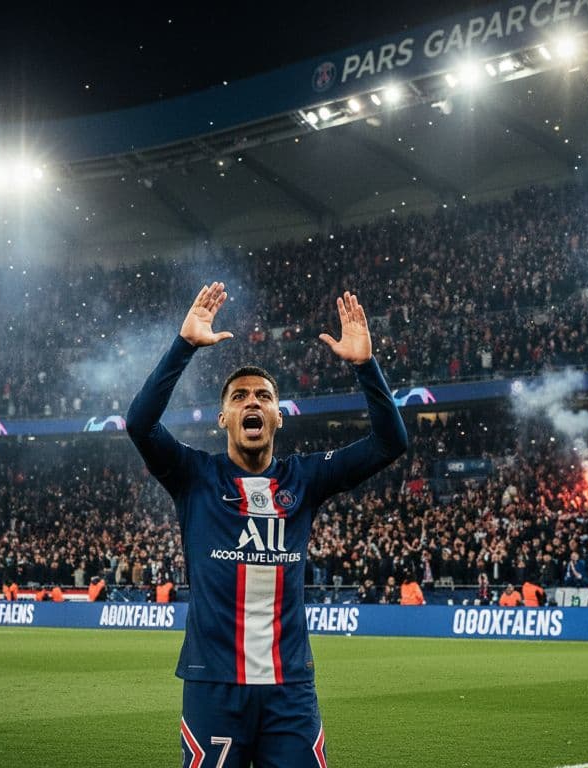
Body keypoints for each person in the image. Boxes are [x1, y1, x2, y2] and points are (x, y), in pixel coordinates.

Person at [127, 283, 407, 768]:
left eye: (263, 396)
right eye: (239, 397)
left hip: (289, 690)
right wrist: (185, 344)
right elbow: (140, 423)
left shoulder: (307, 477)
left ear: (278, 417)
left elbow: (389, 444)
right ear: (223, 417)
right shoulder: (194, 476)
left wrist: (366, 367)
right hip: (214, 685)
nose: (251, 402)